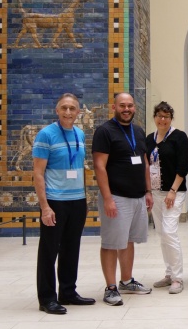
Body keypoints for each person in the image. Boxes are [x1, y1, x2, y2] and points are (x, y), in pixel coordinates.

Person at [33, 93, 95, 315]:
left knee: (72, 248)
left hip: (76, 200)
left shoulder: (79, 134)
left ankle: (68, 292)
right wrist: (45, 207)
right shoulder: (46, 135)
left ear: (78, 112)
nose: (68, 112)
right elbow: (38, 174)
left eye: (72, 108)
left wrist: (84, 199)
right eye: (64, 108)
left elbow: (79, 168)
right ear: (57, 110)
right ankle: (47, 298)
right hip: (55, 201)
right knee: (49, 251)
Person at [92, 92, 153, 306]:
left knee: (128, 240)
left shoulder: (138, 131)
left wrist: (148, 191)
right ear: (114, 107)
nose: (126, 109)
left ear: (134, 108)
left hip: (137, 196)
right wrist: (107, 198)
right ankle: (110, 288)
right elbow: (99, 166)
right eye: (122, 105)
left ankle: (126, 281)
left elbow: (145, 162)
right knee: (111, 243)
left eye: (130, 105)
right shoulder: (105, 131)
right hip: (116, 196)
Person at [145, 101, 188, 294]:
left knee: (170, 232)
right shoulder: (148, 139)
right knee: (162, 234)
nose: (162, 120)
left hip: (174, 192)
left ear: (171, 119)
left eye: (166, 116)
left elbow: (182, 167)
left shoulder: (179, 137)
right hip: (155, 192)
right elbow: (146, 166)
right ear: (154, 117)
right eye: (159, 116)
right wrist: (148, 191)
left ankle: (178, 278)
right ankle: (169, 273)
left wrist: (172, 191)